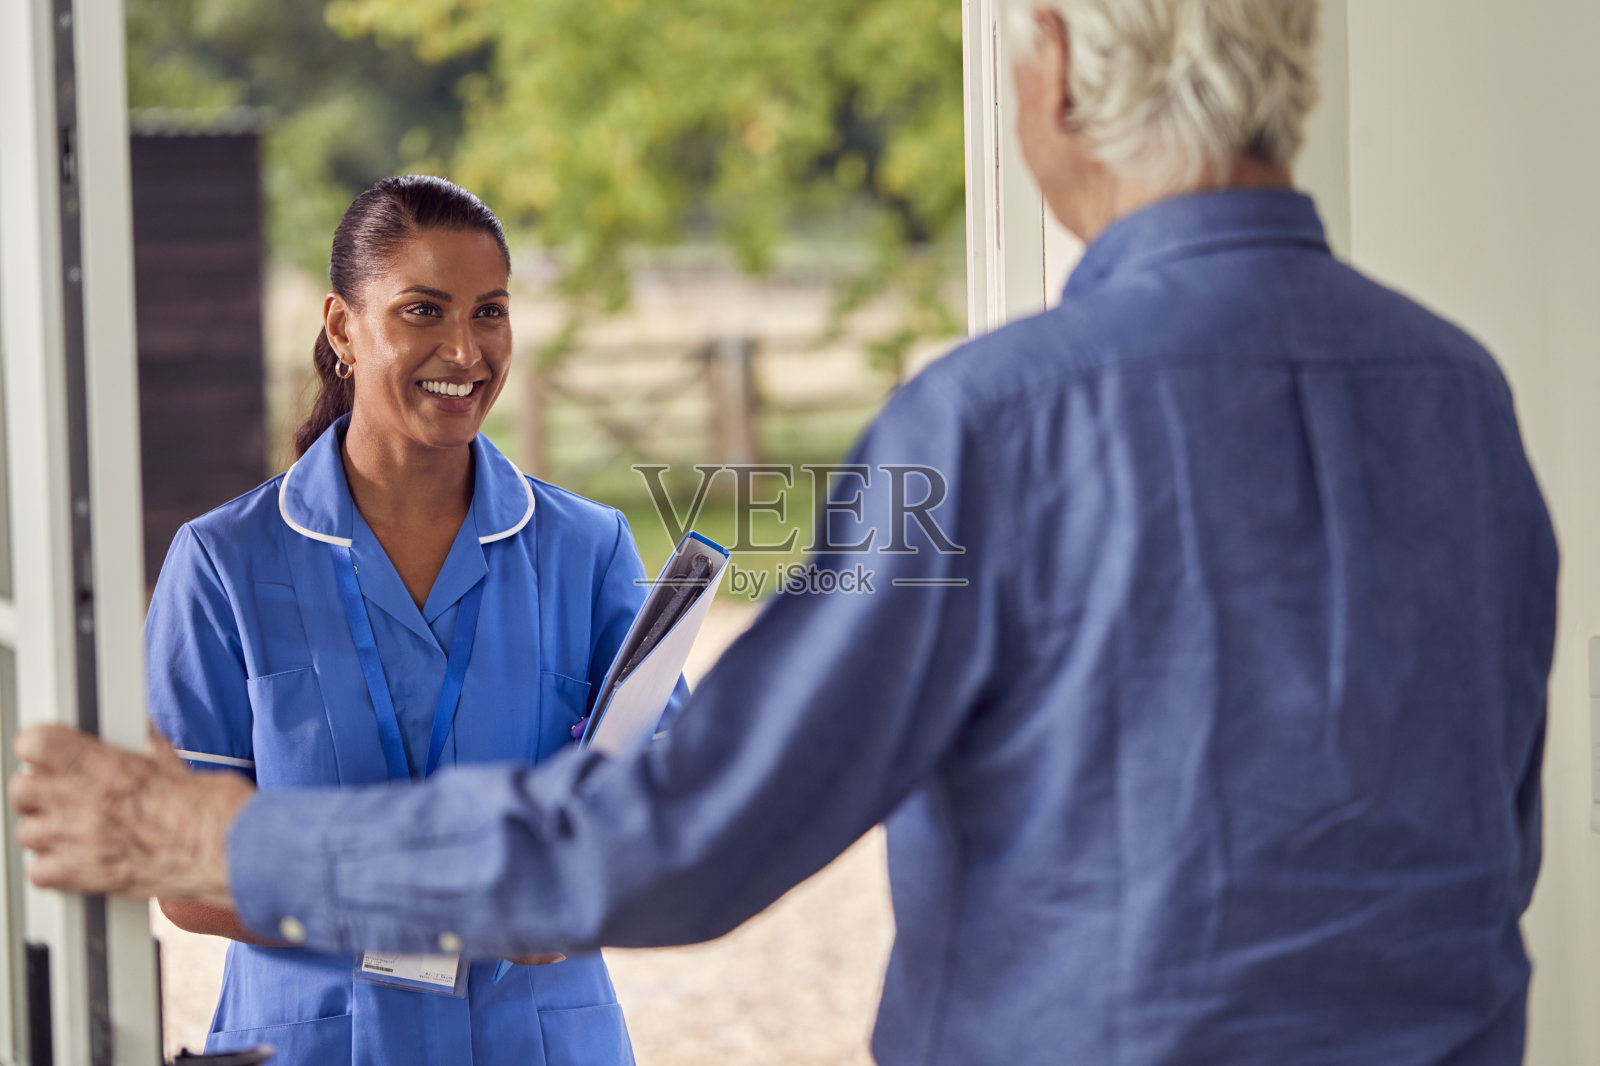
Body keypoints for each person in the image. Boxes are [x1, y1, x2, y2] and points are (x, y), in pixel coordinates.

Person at [12, 3, 1558, 1064]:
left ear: (1071, 72)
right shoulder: (1462, 398)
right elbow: (1493, 835)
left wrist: (197, 829)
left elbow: (677, 826)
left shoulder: (988, 426)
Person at [133, 175, 682, 1063]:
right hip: (318, 1044)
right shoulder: (225, 563)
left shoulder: (590, 550)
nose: (464, 350)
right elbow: (186, 872)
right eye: (422, 311)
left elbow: (664, 799)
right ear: (343, 327)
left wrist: (590, 887)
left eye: (490, 312)